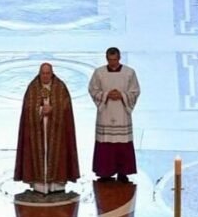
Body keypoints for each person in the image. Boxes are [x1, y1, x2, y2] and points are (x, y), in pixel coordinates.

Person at [14, 63, 80, 194]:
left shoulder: (60, 87)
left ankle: (56, 185)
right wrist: (39, 110)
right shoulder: (32, 87)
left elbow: (66, 107)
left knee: (57, 153)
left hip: (57, 130)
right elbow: (27, 107)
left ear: (52, 73)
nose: (45, 76)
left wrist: (53, 109)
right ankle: (39, 185)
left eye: (47, 73)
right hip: (37, 129)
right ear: (39, 73)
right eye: (43, 73)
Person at [88, 47, 140, 182]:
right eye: (110, 60)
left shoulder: (129, 73)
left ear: (119, 58)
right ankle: (105, 172)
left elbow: (135, 91)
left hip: (122, 112)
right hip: (106, 113)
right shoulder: (99, 73)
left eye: (115, 60)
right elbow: (92, 89)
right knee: (105, 143)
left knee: (122, 143)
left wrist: (122, 95)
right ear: (106, 58)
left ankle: (123, 172)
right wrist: (106, 95)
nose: (113, 63)